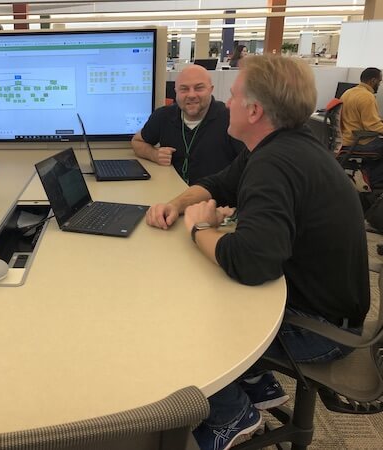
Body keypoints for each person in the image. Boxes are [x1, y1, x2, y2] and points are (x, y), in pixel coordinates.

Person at [146, 55, 369, 450]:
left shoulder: (276, 164)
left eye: (231, 96)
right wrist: (179, 203)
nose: (225, 103)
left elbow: (249, 263)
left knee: (172, 321)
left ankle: (232, 416)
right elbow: (220, 183)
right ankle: (256, 383)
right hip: (322, 303)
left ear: (254, 109)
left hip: (322, 329)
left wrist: (199, 228)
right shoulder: (278, 144)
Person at [131, 65, 243, 185]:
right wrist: (154, 154)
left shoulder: (231, 118)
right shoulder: (163, 116)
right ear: (176, 92)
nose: (191, 95)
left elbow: (251, 163)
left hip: (216, 200)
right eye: (184, 89)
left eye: (199, 88)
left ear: (211, 89)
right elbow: (137, 142)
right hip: (171, 194)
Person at [340, 67, 383, 186]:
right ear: (373, 81)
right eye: (379, 81)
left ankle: (367, 172)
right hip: (359, 142)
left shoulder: (348, 92)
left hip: (346, 138)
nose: (379, 85)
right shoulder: (367, 97)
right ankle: (373, 181)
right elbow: (373, 127)